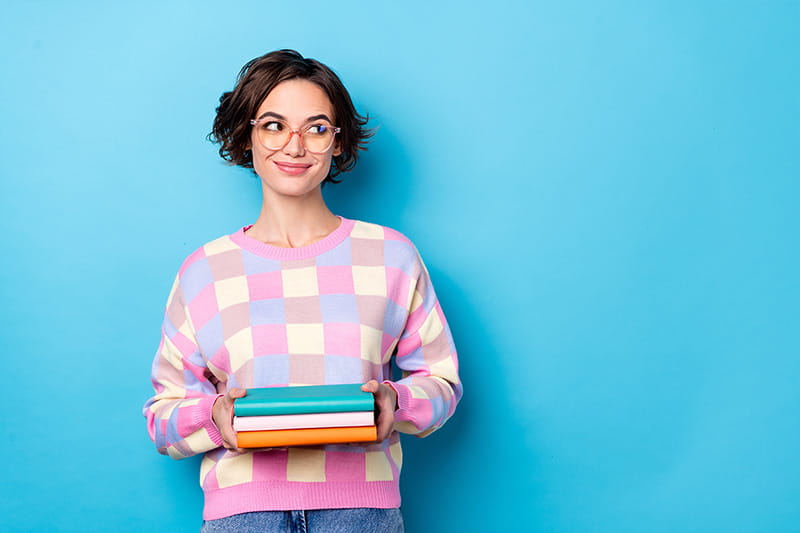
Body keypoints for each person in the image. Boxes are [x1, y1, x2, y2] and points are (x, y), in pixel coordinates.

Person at [142, 49, 462, 533]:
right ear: (246, 135)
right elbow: (162, 417)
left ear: (337, 142)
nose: (295, 146)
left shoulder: (391, 256)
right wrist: (215, 417)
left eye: (316, 128)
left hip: (362, 514)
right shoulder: (203, 270)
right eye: (273, 125)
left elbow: (442, 381)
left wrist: (395, 403)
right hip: (242, 517)